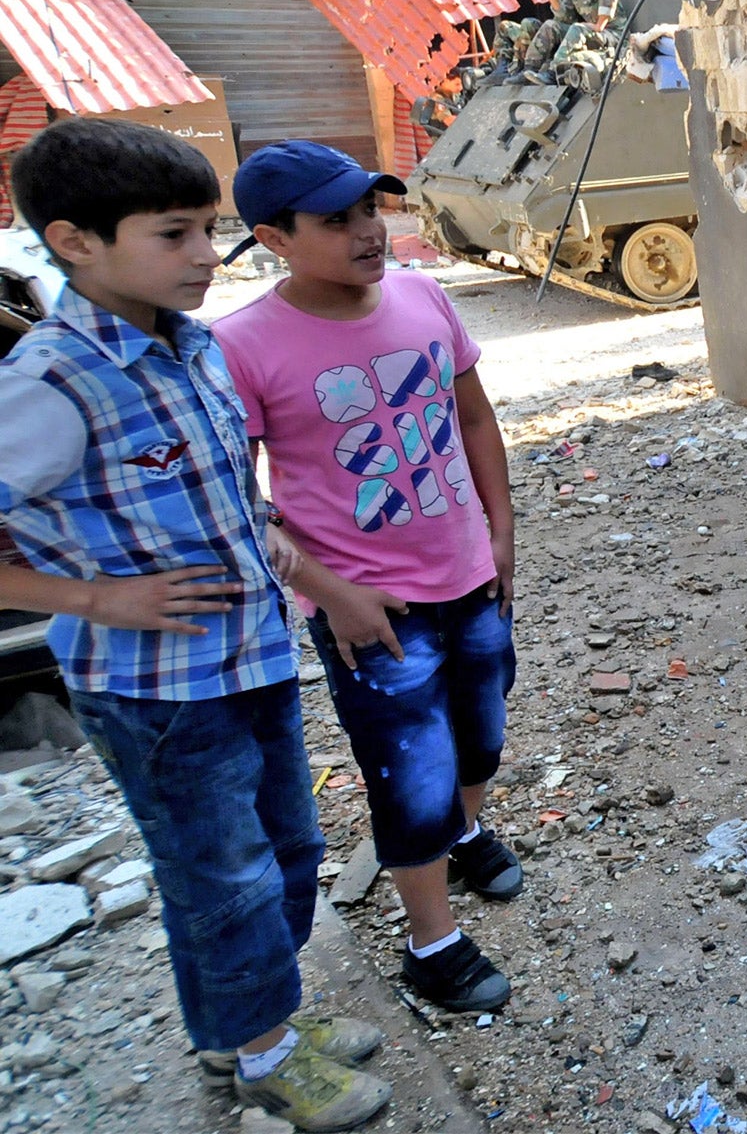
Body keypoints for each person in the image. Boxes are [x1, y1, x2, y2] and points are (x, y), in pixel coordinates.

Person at [0, 119, 390, 1131]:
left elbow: (239, 506)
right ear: (75, 241)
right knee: (225, 879)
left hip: (250, 660)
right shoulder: (50, 382)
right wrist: (98, 600)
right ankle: (262, 1057)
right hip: (157, 695)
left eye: (209, 231)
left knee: (286, 856)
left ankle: (244, 1026)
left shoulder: (197, 348)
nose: (208, 256)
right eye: (174, 234)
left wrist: (325, 586)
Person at [214, 142, 522, 1015]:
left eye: (371, 211)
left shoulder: (424, 297)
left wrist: (502, 532)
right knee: (408, 770)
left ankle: (466, 830)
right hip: (371, 608)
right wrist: (331, 592)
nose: (367, 232)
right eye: (337, 220)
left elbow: (473, 417)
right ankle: (432, 943)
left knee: (483, 732)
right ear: (274, 237)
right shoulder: (239, 347)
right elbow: (238, 497)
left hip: (470, 575)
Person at [520, 0, 619, 84]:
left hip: (612, 34)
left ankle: (553, 72)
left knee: (577, 28)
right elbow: (564, 18)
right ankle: (528, 69)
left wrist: (599, 25)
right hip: (593, 33)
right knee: (551, 25)